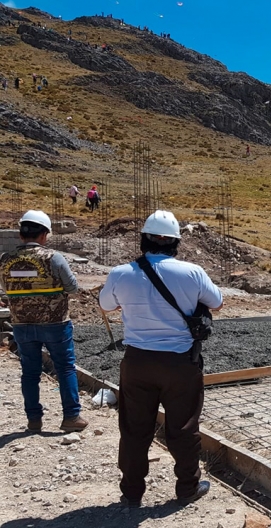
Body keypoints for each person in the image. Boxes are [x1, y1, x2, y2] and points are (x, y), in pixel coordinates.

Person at [99, 210, 224, 507]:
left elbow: (106, 305)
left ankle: (131, 492)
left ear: (144, 239)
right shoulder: (192, 272)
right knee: (183, 427)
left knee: (134, 429)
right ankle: (187, 488)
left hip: (138, 362)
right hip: (180, 363)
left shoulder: (121, 273)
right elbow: (217, 303)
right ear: (175, 243)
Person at [0, 211, 87, 433]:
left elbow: (5, 288)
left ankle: (34, 420)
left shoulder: (6, 260)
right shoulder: (54, 258)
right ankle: (71, 417)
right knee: (65, 367)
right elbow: (73, 288)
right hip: (55, 323)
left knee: (30, 372)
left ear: (21, 234)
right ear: (44, 234)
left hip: (21, 324)